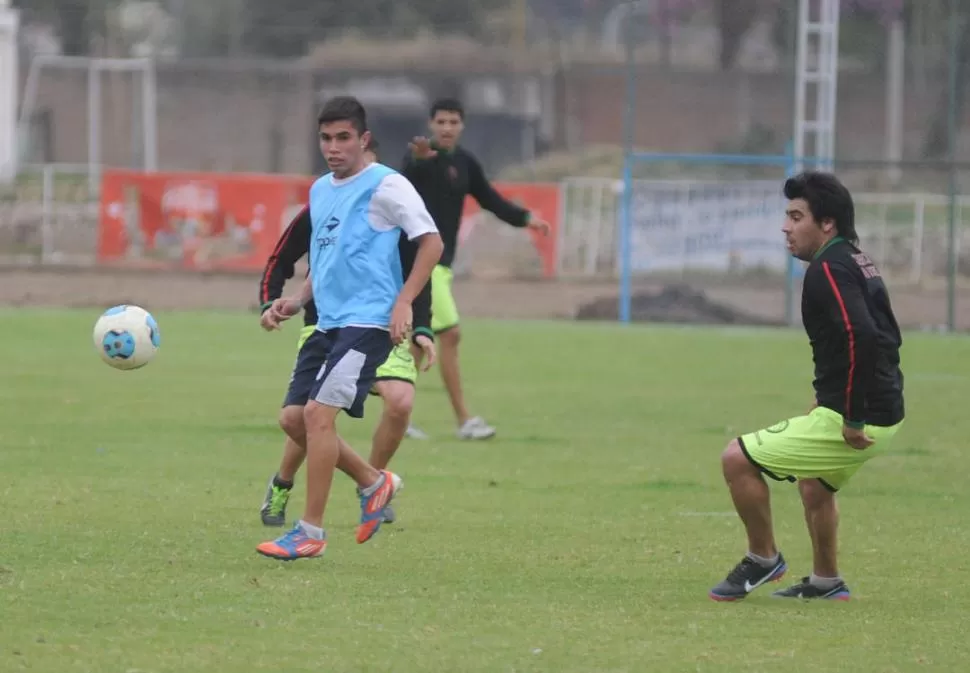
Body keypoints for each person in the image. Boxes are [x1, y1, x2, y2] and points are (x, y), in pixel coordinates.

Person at [256, 96, 443, 561]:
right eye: (326, 138)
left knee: (319, 418)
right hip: (327, 323)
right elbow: (326, 257)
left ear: (363, 140)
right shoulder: (321, 190)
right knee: (293, 419)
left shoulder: (387, 185)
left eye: (343, 138)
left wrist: (405, 305)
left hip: (368, 323)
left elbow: (432, 243)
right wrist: (296, 300)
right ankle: (372, 482)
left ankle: (310, 532)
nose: (333, 147)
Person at [709, 171, 905, 601]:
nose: (786, 226)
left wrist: (852, 415)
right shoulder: (854, 259)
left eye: (797, 216)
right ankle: (825, 582)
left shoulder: (828, 268)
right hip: (880, 408)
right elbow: (885, 336)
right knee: (815, 484)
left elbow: (863, 336)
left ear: (827, 223)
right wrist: (835, 395)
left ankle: (763, 558)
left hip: (860, 416)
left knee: (736, 459)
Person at [401, 97, 551, 440]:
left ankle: (400, 415)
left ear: (462, 125)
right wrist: (416, 161)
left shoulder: (465, 164)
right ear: (430, 124)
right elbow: (399, 182)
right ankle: (464, 421)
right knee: (449, 334)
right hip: (419, 261)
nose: (447, 128)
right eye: (441, 122)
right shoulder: (418, 158)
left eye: (453, 122)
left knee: (416, 339)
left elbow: (490, 199)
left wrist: (526, 218)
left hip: (442, 265)